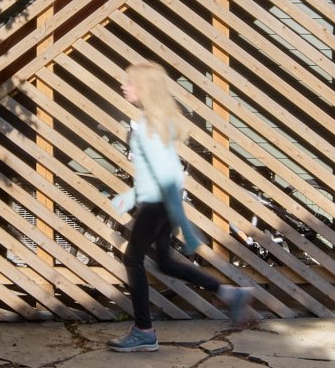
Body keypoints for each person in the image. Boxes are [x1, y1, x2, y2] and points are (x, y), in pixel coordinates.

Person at [109, 61, 257, 350]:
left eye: (129, 82)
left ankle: (144, 331)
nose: (123, 86)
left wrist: (186, 229)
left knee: (132, 259)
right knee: (164, 262)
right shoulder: (155, 122)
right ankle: (229, 293)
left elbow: (168, 177)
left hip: (157, 203)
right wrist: (132, 195)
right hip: (160, 202)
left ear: (145, 88)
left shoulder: (149, 126)